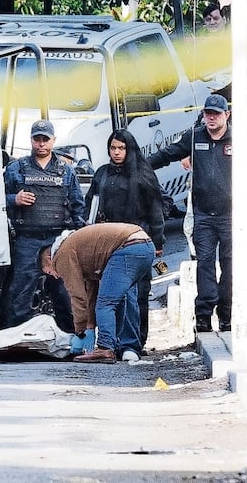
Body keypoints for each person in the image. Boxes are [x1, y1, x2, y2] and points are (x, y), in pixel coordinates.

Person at [148, 93, 232, 333]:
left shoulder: (238, 138)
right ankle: (204, 316)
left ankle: (226, 316)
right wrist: (139, 163)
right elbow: (168, 154)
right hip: (204, 216)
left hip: (231, 216)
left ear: (226, 114)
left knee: (230, 266)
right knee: (204, 264)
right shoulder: (194, 137)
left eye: (216, 114)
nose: (212, 118)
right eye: (208, 114)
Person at [0, 119, 86, 331]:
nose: (41, 144)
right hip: (26, 238)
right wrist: (14, 200)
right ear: (31, 140)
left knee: (64, 291)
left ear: (53, 141)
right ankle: (15, 336)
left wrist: (78, 237)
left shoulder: (66, 170)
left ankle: (72, 337)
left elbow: (77, 205)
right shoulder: (16, 169)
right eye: (37, 139)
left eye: (45, 139)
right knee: (21, 290)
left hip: (57, 238)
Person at [85, 129, 165, 356]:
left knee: (138, 294)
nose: (117, 152)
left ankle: (136, 342)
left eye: (121, 148)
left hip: (137, 241)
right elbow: (91, 203)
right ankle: (117, 342)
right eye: (113, 148)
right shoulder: (102, 174)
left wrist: (158, 241)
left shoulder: (142, 174)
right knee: (112, 294)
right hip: (108, 242)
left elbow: (155, 210)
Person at [40, 223, 156, 364]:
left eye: (48, 271)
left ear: (48, 259)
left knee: (106, 304)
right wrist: (89, 326)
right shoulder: (81, 250)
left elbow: (77, 296)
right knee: (118, 300)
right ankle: (114, 345)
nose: (55, 275)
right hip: (146, 247)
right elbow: (91, 294)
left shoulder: (61, 255)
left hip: (128, 248)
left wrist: (80, 333)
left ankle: (105, 348)